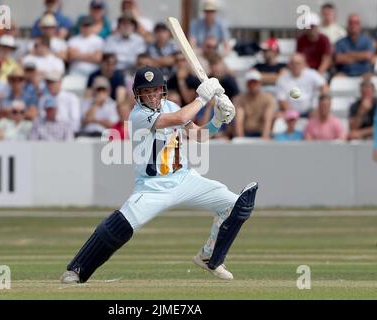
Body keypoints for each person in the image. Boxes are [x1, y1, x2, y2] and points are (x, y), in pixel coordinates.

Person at [60, 65, 258, 284]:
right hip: (152, 186)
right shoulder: (138, 115)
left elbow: (199, 136)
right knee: (118, 226)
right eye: (146, 91)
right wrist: (203, 98)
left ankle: (210, 255)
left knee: (236, 205)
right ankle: (77, 269)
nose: (151, 95)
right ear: (138, 94)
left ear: (162, 90)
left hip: (184, 178)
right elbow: (179, 117)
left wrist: (218, 120)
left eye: (155, 90)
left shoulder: (171, 105)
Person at [234, 70, 275, 139]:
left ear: (260, 83)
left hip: (261, 133)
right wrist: (241, 139)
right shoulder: (239, 99)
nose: (253, 85)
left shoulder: (268, 99)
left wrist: (264, 139)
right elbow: (239, 121)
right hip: (246, 132)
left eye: (255, 82)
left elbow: (267, 120)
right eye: (251, 83)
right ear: (247, 84)